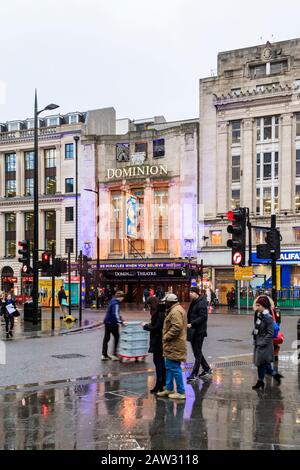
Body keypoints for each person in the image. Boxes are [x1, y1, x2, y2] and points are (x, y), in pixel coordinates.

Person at [157, 293, 187, 400]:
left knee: (174, 368)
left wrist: (166, 337)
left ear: (170, 302)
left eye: (166, 302)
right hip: (173, 344)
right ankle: (169, 388)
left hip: (175, 344)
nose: (165, 304)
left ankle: (181, 391)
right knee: (169, 367)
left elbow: (177, 327)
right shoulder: (176, 309)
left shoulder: (175, 311)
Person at [252, 295, 283, 390]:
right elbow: (257, 327)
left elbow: (270, 333)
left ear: (264, 306)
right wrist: (254, 333)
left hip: (265, 345)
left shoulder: (268, 318)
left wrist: (262, 342)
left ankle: (261, 381)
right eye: (256, 305)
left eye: (258, 305)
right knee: (261, 364)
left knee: (261, 364)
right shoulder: (259, 315)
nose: (257, 307)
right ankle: (272, 376)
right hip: (259, 343)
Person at [186, 287, 212, 382]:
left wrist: (192, 324)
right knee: (197, 352)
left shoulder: (201, 303)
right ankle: (206, 369)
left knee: (197, 353)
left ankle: (194, 374)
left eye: (192, 292)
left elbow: (203, 317)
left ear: (196, 293)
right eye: (190, 292)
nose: (190, 293)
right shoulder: (194, 301)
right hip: (193, 331)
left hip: (199, 331)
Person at [142, 302, 166, 393]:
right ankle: (162, 382)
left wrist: (145, 326)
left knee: (158, 362)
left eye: (149, 307)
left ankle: (159, 384)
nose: (149, 310)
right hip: (160, 341)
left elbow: (156, 328)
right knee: (160, 362)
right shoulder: (161, 313)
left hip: (158, 342)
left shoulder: (159, 315)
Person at [102, 290, 126, 361]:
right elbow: (114, 314)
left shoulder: (112, 301)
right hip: (112, 323)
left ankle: (104, 355)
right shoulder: (116, 303)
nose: (123, 299)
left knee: (106, 338)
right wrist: (121, 322)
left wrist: (120, 318)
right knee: (117, 337)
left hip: (107, 322)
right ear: (120, 297)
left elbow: (114, 313)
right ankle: (114, 354)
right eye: (122, 298)